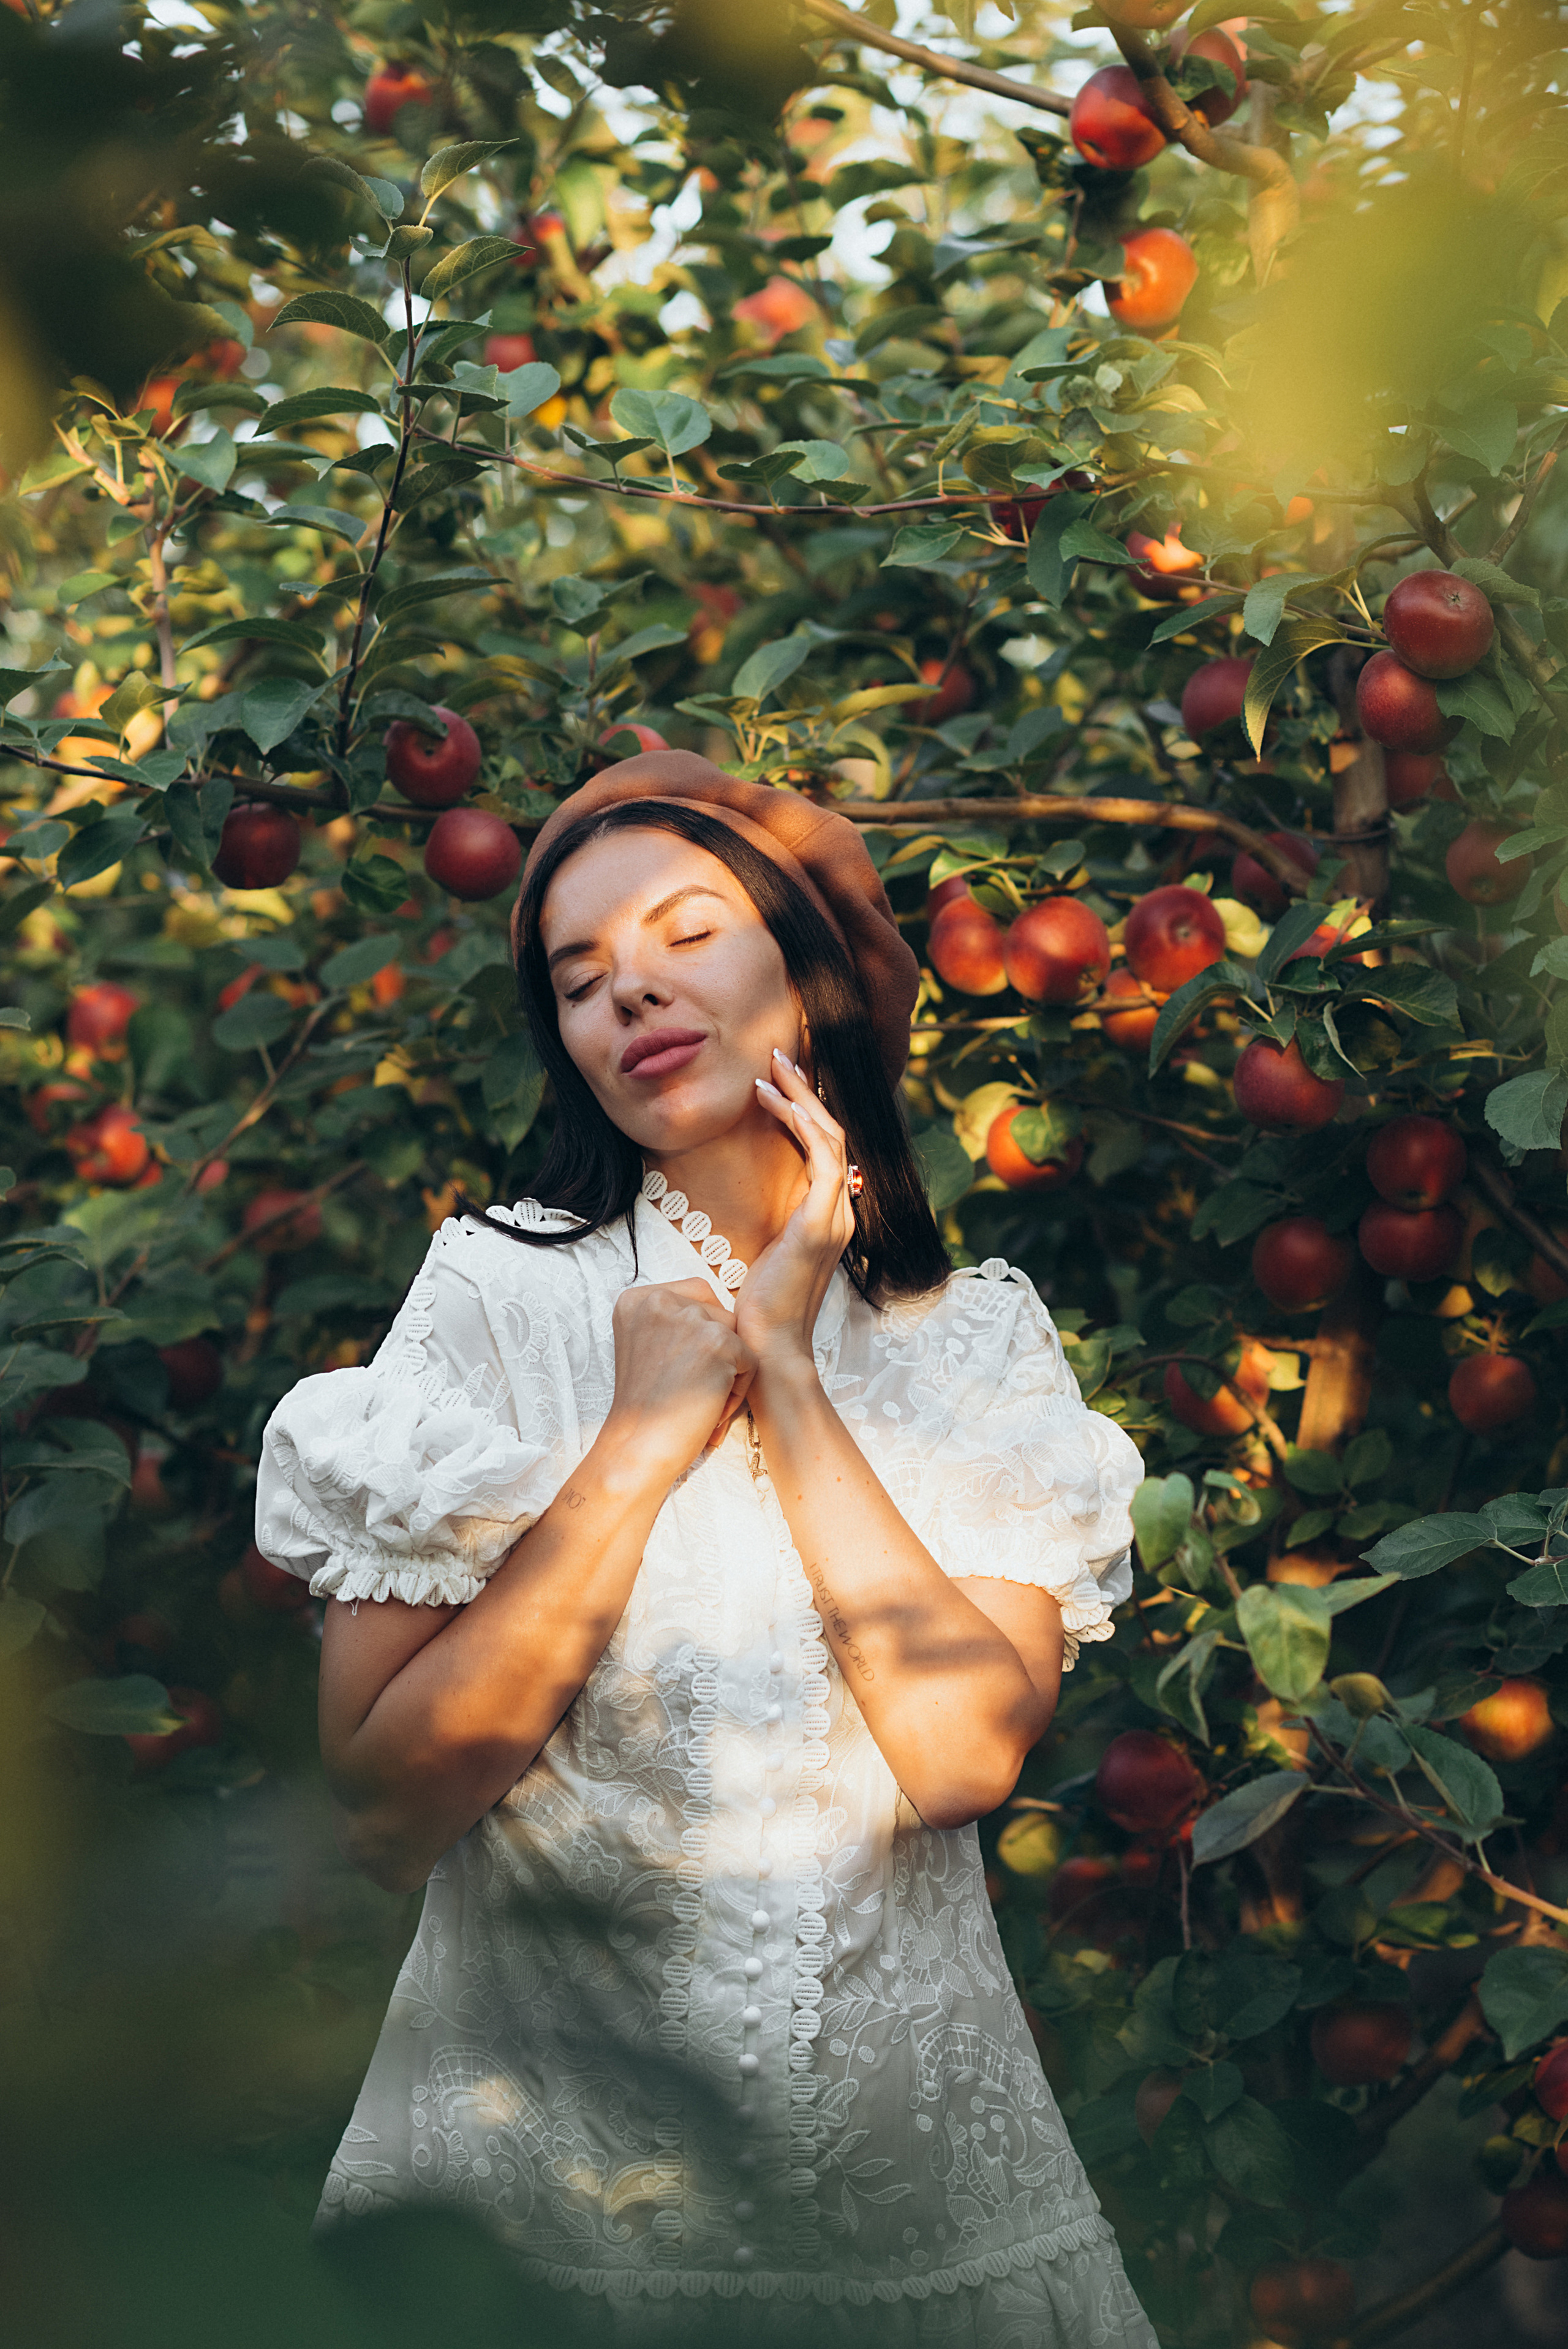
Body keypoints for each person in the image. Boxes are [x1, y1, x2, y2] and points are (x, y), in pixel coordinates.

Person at [256, 753, 1156, 2348]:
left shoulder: (977, 1343)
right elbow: (390, 1805)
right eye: (581, 979)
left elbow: (956, 1755)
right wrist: (638, 1438)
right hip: (536, 2231)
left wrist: (789, 1366)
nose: (632, 993)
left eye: (685, 931)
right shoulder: (493, 1297)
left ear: (809, 973)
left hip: (924, 2236)